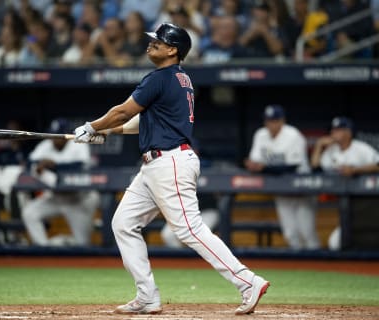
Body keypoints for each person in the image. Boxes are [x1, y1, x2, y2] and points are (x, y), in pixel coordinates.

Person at [73, 22, 269, 315]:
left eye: (158, 41)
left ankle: (247, 281)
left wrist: (91, 126)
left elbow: (123, 111)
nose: (150, 44)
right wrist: (106, 132)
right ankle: (147, 296)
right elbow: (142, 123)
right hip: (156, 165)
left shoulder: (160, 78)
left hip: (170, 162)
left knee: (189, 229)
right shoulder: (179, 79)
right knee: (123, 223)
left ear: (173, 50)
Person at [244, 105, 320, 250]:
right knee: (290, 233)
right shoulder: (261, 134)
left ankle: (319, 266)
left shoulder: (293, 135)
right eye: (268, 120)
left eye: (275, 120)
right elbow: (256, 161)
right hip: (281, 190)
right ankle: (300, 267)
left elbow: (293, 166)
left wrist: (263, 168)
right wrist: (253, 166)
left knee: (307, 232)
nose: (271, 124)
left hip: (301, 189)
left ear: (282, 121)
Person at [21, 118, 100, 247]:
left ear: (66, 135)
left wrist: (53, 165)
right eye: (53, 135)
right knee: (29, 212)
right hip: (54, 197)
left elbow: (80, 166)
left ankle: (64, 242)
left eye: (58, 135)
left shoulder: (78, 143)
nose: (54, 139)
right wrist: (41, 165)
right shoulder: (46, 145)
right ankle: (43, 249)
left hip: (77, 199)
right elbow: (30, 162)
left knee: (82, 244)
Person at [310, 116, 379, 250]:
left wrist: (355, 170)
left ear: (348, 132)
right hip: (346, 207)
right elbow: (315, 166)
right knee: (335, 243)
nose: (333, 133)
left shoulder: (361, 148)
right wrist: (319, 145)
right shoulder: (331, 151)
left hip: (367, 203)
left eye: (338, 130)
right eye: (333, 130)